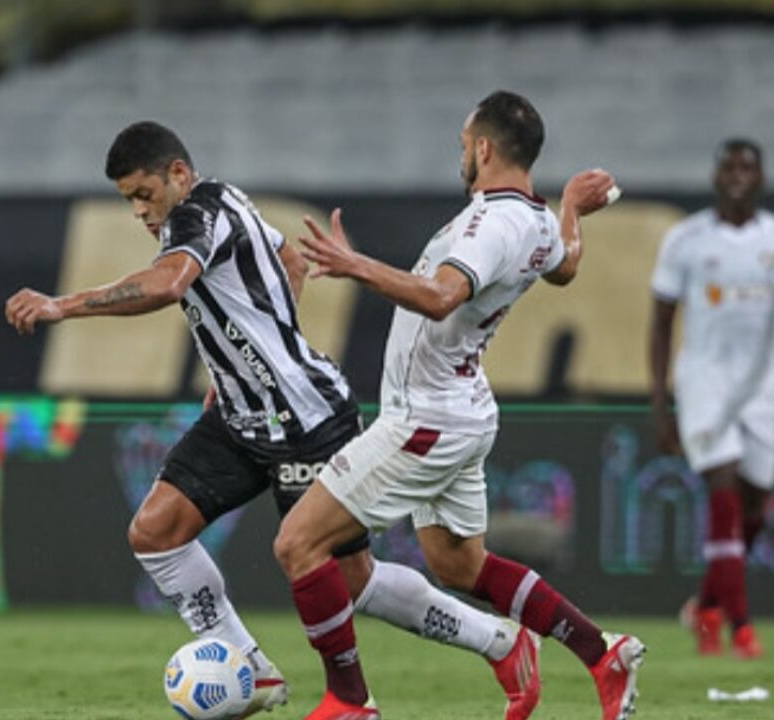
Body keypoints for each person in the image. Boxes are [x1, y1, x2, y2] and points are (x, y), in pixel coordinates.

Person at [7, 120, 547, 719]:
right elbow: (289, 260)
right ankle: (253, 671)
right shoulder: (227, 198)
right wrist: (248, 359)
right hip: (240, 416)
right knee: (155, 533)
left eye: (143, 194)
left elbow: (166, 286)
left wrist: (62, 304)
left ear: (178, 175)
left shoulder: (196, 217)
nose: (138, 210)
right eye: (128, 199)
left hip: (306, 419)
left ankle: (496, 641)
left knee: (354, 581)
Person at [274, 90, 645, 720]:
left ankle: (349, 701)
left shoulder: (490, 223)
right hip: (464, 407)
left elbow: (442, 297)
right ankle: (601, 651)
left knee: (297, 543)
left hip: (424, 418)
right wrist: (573, 210)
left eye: (462, 145)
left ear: (484, 147)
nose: (461, 157)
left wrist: (357, 264)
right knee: (458, 563)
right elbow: (566, 266)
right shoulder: (532, 220)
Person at [650, 138, 774, 660]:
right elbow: (660, 324)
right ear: (716, 175)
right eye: (729, 166)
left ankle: (706, 603)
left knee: (754, 509)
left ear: (761, 176)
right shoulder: (687, 239)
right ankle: (739, 628)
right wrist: (661, 404)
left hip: (762, 387)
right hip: (704, 381)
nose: (738, 175)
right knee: (723, 493)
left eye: (748, 166)